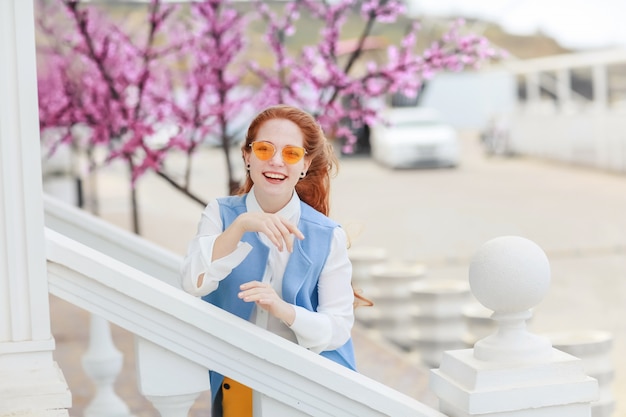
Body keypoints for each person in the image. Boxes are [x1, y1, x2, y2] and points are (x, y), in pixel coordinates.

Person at [180, 104, 367, 417]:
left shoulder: (326, 234)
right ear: (247, 157)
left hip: (306, 385)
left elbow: (337, 328)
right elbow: (193, 281)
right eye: (265, 149)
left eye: (291, 153)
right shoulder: (221, 214)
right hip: (237, 380)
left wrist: (282, 309)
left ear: (305, 165)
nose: (276, 161)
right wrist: (241, 226)